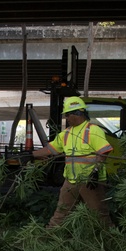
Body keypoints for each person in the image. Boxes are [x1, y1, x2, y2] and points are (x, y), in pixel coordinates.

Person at [31, 95, 114, 228]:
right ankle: (49, 240)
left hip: (89, 181)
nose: (66, 118)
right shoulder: (66, 133)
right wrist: (31, 155)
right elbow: (51, 149)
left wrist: (95, 171)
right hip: (70, 181)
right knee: (60, 214)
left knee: (100, 215)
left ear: (78, 113)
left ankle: (110, 240)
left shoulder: (93, 130)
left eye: (68, 115)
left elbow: (104, 150)